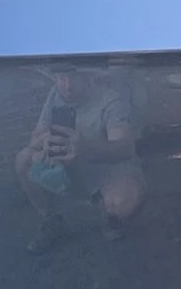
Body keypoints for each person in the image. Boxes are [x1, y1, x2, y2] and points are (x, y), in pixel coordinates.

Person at [16, 66, 143, 249]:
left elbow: (124, 148)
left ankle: (110, 216)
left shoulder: (110, 99)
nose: (67, 85)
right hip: (67, 167)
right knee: (24, 160)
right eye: (61, 78)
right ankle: (51, 220)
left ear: (87, 77)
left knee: (122, 203)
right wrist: (46, 142)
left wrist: (85, 147)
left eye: (73, 77)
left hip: (109, 170)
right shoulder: (55, 95)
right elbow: (35, 137)